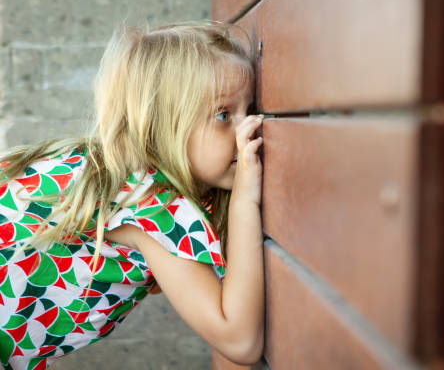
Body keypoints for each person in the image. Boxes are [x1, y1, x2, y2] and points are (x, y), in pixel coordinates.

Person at [0, 20, 265, 369]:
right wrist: (246, 201)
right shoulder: (152, 202)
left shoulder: (114, 171)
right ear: (164, 124)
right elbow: (240, 340)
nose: (247, 127)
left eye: (250, 109)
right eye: (223, 114)